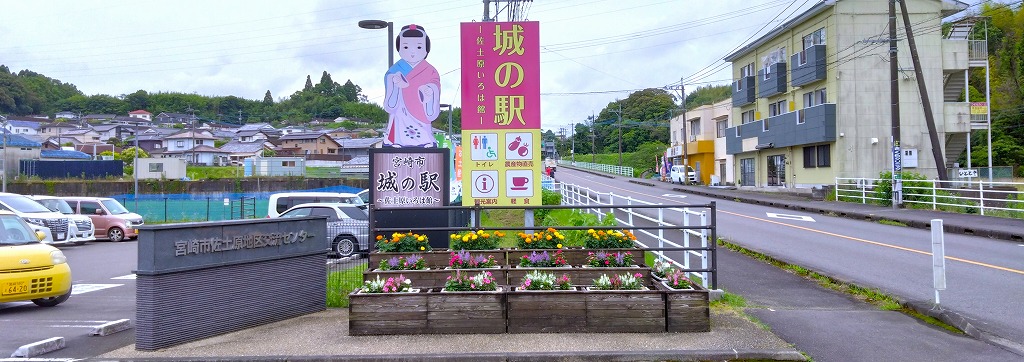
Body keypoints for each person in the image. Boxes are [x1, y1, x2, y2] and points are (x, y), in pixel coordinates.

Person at [382, 24, 441, 147]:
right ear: (399, 48)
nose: (412, 51)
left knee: (422, 130)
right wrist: (395, 82)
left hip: (420, 108)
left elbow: (435, 84)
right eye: (406, 47)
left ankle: (424, 141)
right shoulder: (395, 69)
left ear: (426, 49)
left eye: (419, 47)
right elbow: (390, 79)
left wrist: (430, 89)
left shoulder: (429, 70)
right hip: (401, 107)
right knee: (399, 123)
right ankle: (396, 141)